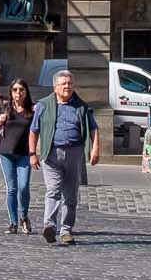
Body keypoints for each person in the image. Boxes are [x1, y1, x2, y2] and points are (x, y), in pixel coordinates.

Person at [29, 68, 101, 246]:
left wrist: (94, 149)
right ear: (55, 87)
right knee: (53, 190)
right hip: (51, 153)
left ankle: (66, 230)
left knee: (70, 194)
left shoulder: (81, 106)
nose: (67, 87)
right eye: (63, 84)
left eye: (69, 83)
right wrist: (32, 154)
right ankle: (49, 226)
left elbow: (93, 128)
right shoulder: (44, 105)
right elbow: (33, 130)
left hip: (75, 153)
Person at [0, 78, 36, 234]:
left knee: (23, 187)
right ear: (11, 92)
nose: (18, 93)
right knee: (12, 188)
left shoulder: (32, 110)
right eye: (15, 90)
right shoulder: (5, 107)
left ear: (26, 92)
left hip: (24, 153)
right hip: (6, 152)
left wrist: (33, 153)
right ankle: (13, 222)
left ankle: (24, 216)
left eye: (21, 90)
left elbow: (36, 131)